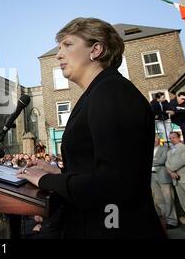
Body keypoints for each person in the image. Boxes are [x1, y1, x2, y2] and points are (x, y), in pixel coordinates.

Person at [18, 18, 164, 239]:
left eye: (67, 45)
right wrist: (60, 173)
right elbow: (99, 167)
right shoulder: (97, 92)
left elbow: (114, 183)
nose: (58, 55)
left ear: (96, 50)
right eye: (59, 47)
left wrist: (45, 180)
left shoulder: (111, 92)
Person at [151, 135, 178, 229]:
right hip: (152, 176)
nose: (155, 140)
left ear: (159, 140)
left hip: (163, 176)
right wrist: (155, 160)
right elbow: (158, 161)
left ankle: (172, 221)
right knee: (159, 199)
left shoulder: (165, 148)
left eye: (156, 138)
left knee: (168, 199)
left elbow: (162, 160)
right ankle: (165, 219)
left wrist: (154, 161)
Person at [165, 131, 185, 225]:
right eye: (170, 138)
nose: (172, 140)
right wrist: (171, 172)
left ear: (179, 137)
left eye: (173, 137)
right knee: (184, 202)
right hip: (176, 180)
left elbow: (182, 161)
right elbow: (166, 164)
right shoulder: (170, 151)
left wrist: (171, 170)